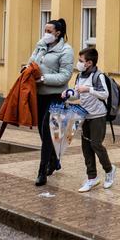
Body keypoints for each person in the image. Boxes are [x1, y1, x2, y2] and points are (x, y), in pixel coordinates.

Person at [29, 19, 73, 186]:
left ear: (58, 33)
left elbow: (65, 76)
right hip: (40, 94)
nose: (45, 33)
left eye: (49, 31)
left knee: (47, 133)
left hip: (56, 96)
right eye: (45, 30)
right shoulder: (41, 45)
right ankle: (54, 160)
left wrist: (43, 78)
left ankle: (42, 172)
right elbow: (32, 62)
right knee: (42, 131)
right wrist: (27, 70)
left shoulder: (66, 50)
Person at [71, 47, 115, 192]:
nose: (78, 63)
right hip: (85, 116)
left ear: (89, 62)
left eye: (80, 61)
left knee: (96, 144)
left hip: (98, 116)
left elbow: (105, 94)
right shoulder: (80, 76)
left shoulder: (98, 76)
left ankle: (109, 170)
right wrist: (68, 94)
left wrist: (89, 89)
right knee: (86, 147)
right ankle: (92, 178)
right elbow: (78, 95)